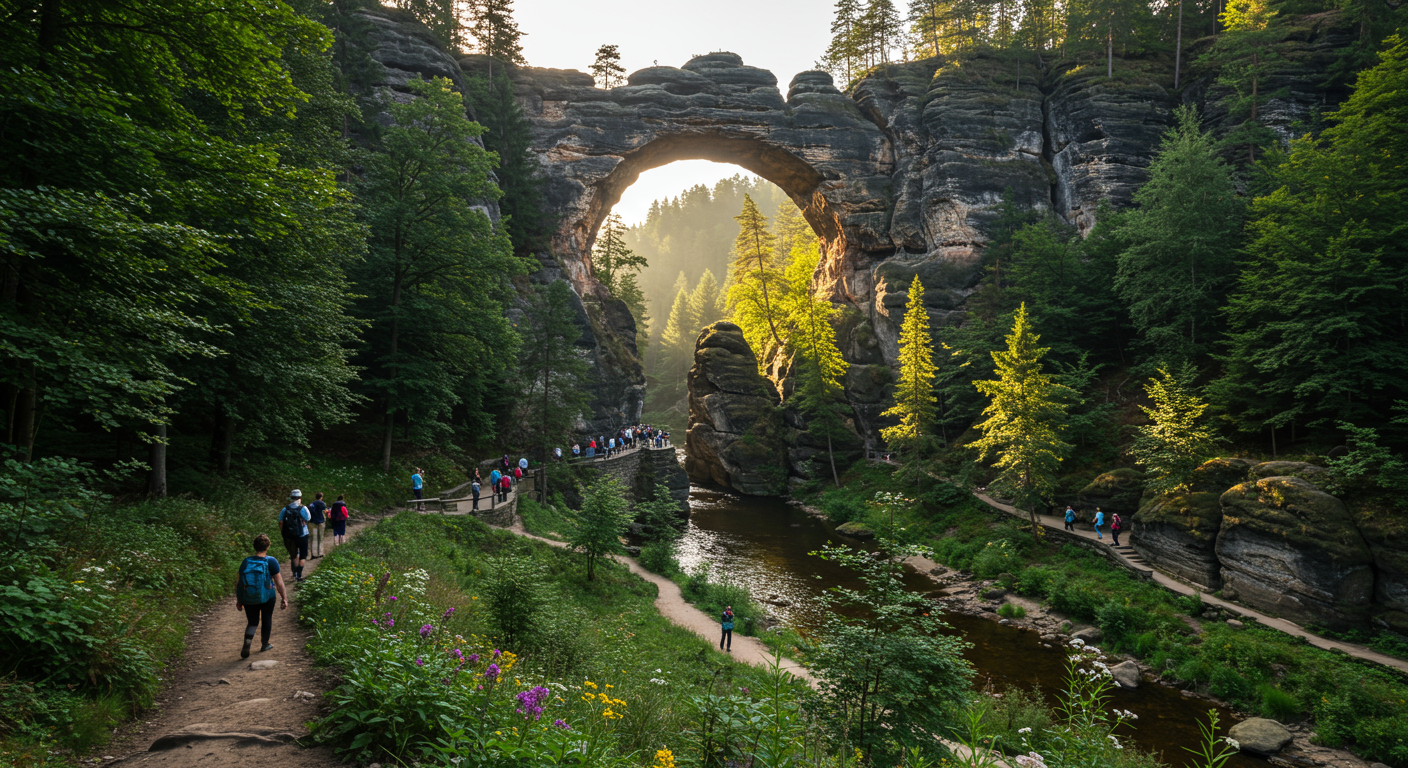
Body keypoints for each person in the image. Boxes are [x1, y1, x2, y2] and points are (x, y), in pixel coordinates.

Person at [234, 533, 287, 658]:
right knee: (266, 618)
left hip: (249, 596)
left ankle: (248, 640)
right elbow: (279, 582)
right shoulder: (271, 561)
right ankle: (265, 644)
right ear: (267, 547)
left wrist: (240, 599)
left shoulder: (246, 561)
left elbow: (239, 582)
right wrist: (284, 598)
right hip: (268, 596)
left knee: (252, 621)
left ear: (254, 546)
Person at [278, 490, 311, 582]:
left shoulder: (285, 509)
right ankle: (299, 575)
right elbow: (308, 518)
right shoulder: (303, 508)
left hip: (290, 535)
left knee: (294, 555)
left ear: (291, 497)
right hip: (302, 534)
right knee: (303, 555)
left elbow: (280, 521)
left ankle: (294, 574)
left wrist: (283, 533)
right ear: (300, 497)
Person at [307, 491, 328, 558]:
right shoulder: (322, 503)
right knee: (320, 538)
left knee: (313, 538)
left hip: (312, 522)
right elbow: (325, 511)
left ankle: (313, 554)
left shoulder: (311, 504)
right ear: (321, 497)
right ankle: (320, 553)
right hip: (320, 522)